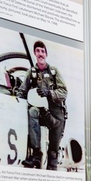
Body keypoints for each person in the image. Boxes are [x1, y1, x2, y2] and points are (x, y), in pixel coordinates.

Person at [17, 41, 67, 170]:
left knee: (53, 151)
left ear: (46, 54)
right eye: (38, 51)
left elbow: (64, 92)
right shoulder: (31, 73)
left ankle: (52, 173)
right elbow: (22, 91)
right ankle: (36, 153)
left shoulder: (53, 72)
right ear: (35, 53)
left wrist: (49, 93)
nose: (40, 54)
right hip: (42, 114)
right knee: (32, 111)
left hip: (56, 115)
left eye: (43, 51)